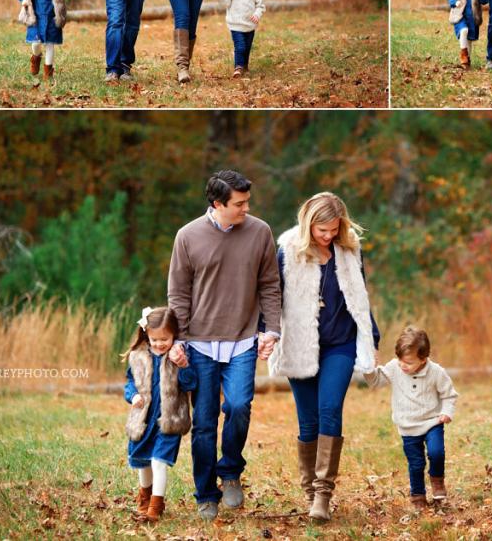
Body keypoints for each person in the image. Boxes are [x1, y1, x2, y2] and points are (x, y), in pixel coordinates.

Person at [167, 170, 281, 521]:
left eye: (247, 201)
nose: (247, 208)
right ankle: (205, 493)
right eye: (239, 203)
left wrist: (271, 330)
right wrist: (178, 339)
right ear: (217, 204)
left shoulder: (259, 231)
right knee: (203, 423)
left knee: (238, 405)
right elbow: (178, 292)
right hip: (199, 344)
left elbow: (270, 284)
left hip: (243, 340)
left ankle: (230, 470)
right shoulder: (187, 236)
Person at [269, 192, 380, 522]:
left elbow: (359, 293)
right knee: (309, 421)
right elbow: (272, 296)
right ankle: (309, 488)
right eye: (322, 231)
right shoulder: (288, 251)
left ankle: (323, 494)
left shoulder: (349, 248)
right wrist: (267, 331)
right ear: (308, 224)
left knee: (330, 408)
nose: (329, 236)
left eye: (334, 229)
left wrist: (370, 332)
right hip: (300, 343)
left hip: (340, 344)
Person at [364, 327, 458, 509]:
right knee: (416, 464)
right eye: (400, 359)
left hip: (432, 422)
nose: (402, 365)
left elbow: (449, 395)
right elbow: (375, 381)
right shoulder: (395, 367)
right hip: (408, 426)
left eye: (408, 362)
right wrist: (369, 368)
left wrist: (447, 412)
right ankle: (418, 497)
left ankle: (437, 481)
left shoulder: (436, 372)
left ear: (423, 359)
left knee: (436, 452)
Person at [122, 306, 196, 522]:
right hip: (143, 420)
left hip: (168, 420)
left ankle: (156, 505)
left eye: (165, 338)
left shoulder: (178, 355)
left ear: (174, 334)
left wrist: (183, 364)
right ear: (147, 335)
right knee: (142, 461)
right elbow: (130, 381)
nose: (159, 344)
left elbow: (190, 383)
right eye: (154, 339)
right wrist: (133, 395)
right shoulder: (138, 356)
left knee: (159, 461)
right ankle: (144, 498)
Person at [17, 0, 84, 87]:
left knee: (50, 44)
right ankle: (36, 57)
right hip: (36, 16)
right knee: (36, 43)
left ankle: (48, 72)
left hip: (52, 17)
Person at [219, 0, 266, 78]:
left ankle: (245, 65)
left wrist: (257, 14)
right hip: (236, 25)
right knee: (240, 46)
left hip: (250, 25)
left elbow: (260, 6)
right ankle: (238, 67)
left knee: (247, 47)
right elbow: (226, 4)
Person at [447, 0, 488, 68]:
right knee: (464, 31)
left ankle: (467, 61)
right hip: (460, 15)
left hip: (473, 17)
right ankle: (463, 56)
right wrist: (455, 2)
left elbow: (485, 1)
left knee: (469, 39)